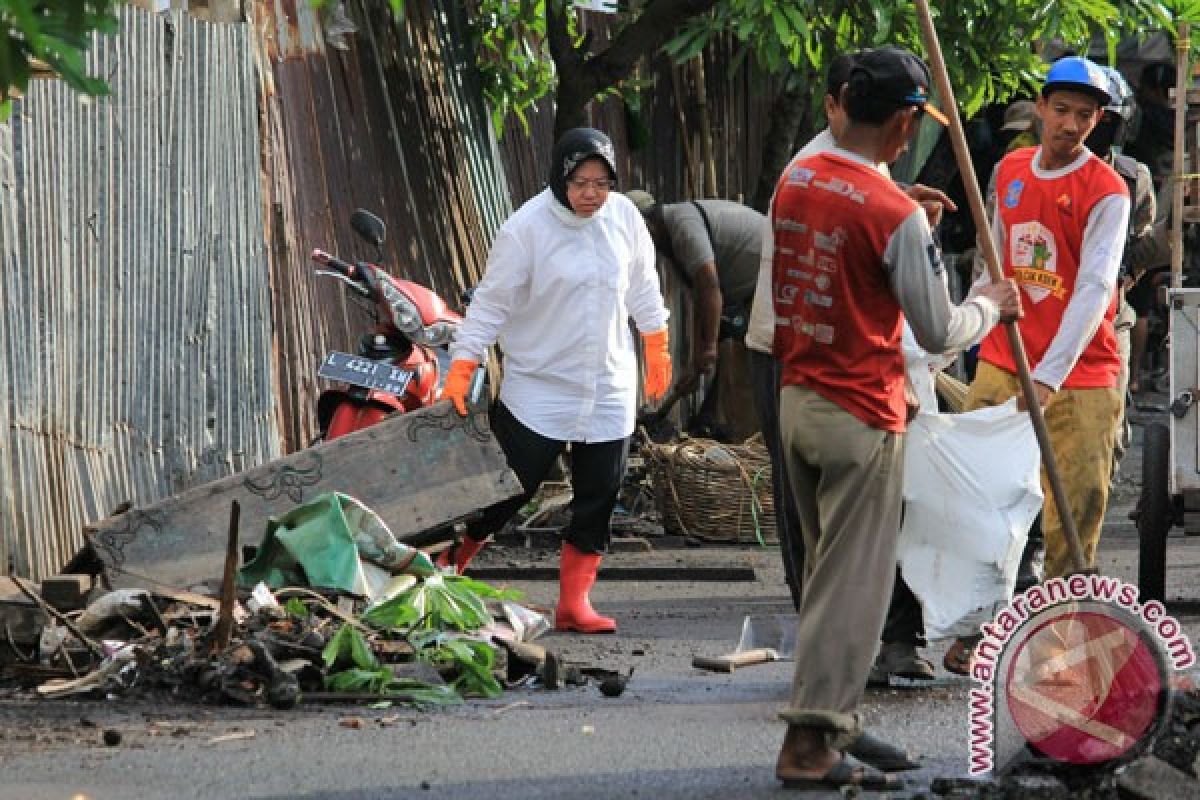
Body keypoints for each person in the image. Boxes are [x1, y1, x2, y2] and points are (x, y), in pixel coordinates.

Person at [769, 46, 1020, 790]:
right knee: (854, 590)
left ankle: (833, 721)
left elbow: (851, 218)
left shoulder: (798, 175)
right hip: (859, 412)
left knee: (826, 581)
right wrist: (990, 305)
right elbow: (939, 331)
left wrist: (907, 210)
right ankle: (810, 750)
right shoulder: (892, 216)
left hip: (797, 402)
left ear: (840, 102)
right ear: (907, 122)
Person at [438, 127, 672, 635]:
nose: (592, 193)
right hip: (540, 384)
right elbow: (491, 304)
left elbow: (642, 286)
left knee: (599, 495)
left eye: (602, 182)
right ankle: (445, 573)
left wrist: (656, 341)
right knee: (506, 490)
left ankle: (574, 603)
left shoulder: (625, 218)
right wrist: (463, 364)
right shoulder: (526, 228)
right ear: (559, 176)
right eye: (581, 181)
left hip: (608, 383)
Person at [943, 57, 1131, 675]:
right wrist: (958, 337)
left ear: (1097, 120)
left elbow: (1096, 286)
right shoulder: (1011, 169)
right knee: (985, 504)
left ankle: (1059, 653)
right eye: (1062, 110)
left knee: (1070, 516)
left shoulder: (1107, 191)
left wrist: (1049, 372)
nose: (1070, 124)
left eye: (1085, 115)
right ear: (1042, 108)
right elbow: (989, 262)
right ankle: (985, 631)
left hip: (1079, 377)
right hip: (1000, 360)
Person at [625, 192, 765, 440]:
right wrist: (696, 359)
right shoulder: (672, 241)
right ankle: (740, 442)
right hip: (748, 291)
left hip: (768, 282)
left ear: (644, 226)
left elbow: (710, 285)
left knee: (743, 378)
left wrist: (708, 349)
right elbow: (701, 301)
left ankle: (746, 455)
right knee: (733, 374)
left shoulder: (683, 227)